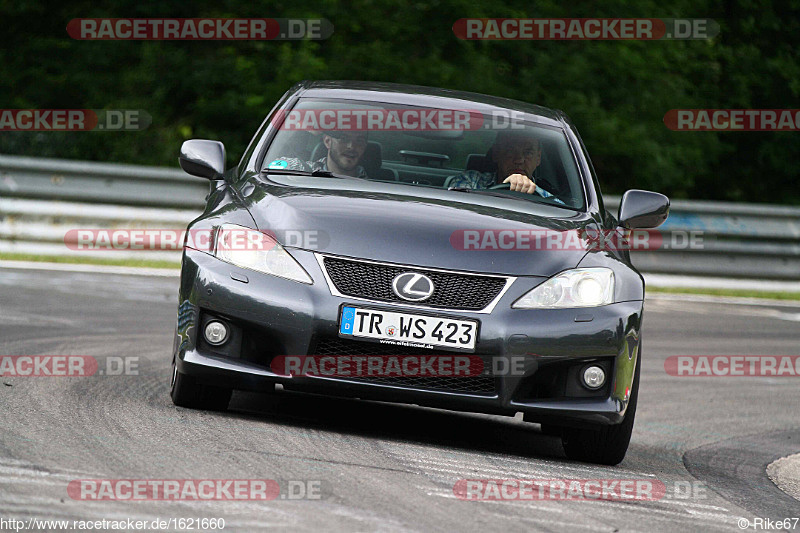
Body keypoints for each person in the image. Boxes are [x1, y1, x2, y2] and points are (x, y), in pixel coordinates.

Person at [447, 131, 564, 204]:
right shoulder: (471, 180)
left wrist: (532, 194)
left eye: (528, 153)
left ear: (538, 158)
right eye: (510, 151)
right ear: (496, 154)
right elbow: (457, 208)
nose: (519, 160)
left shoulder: (548, 199)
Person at [270, 131, 369, 178]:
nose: (351, 146)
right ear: (327, 141)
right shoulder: (302, 169)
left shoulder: (377, 185)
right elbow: (267, 170)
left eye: (359, 141)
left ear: (365, 146)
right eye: (343, 139)